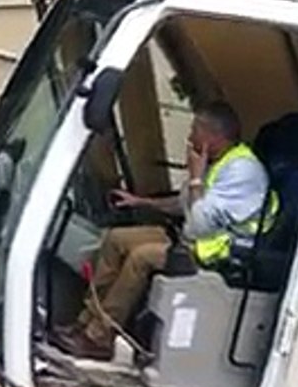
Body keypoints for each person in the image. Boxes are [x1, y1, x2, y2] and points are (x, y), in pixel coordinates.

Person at [53, 101, 278, 360]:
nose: (190, 135)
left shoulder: (242, 171)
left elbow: (199, 222)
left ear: (213, 137)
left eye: (195, 129)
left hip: (214, 252)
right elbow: (185, 205)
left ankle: (100, 337)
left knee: (141, 257)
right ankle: (85, 322)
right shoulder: (218, 161)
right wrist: (141, 202)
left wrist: (195, 177)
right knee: (117, 239)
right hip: (191, 238)